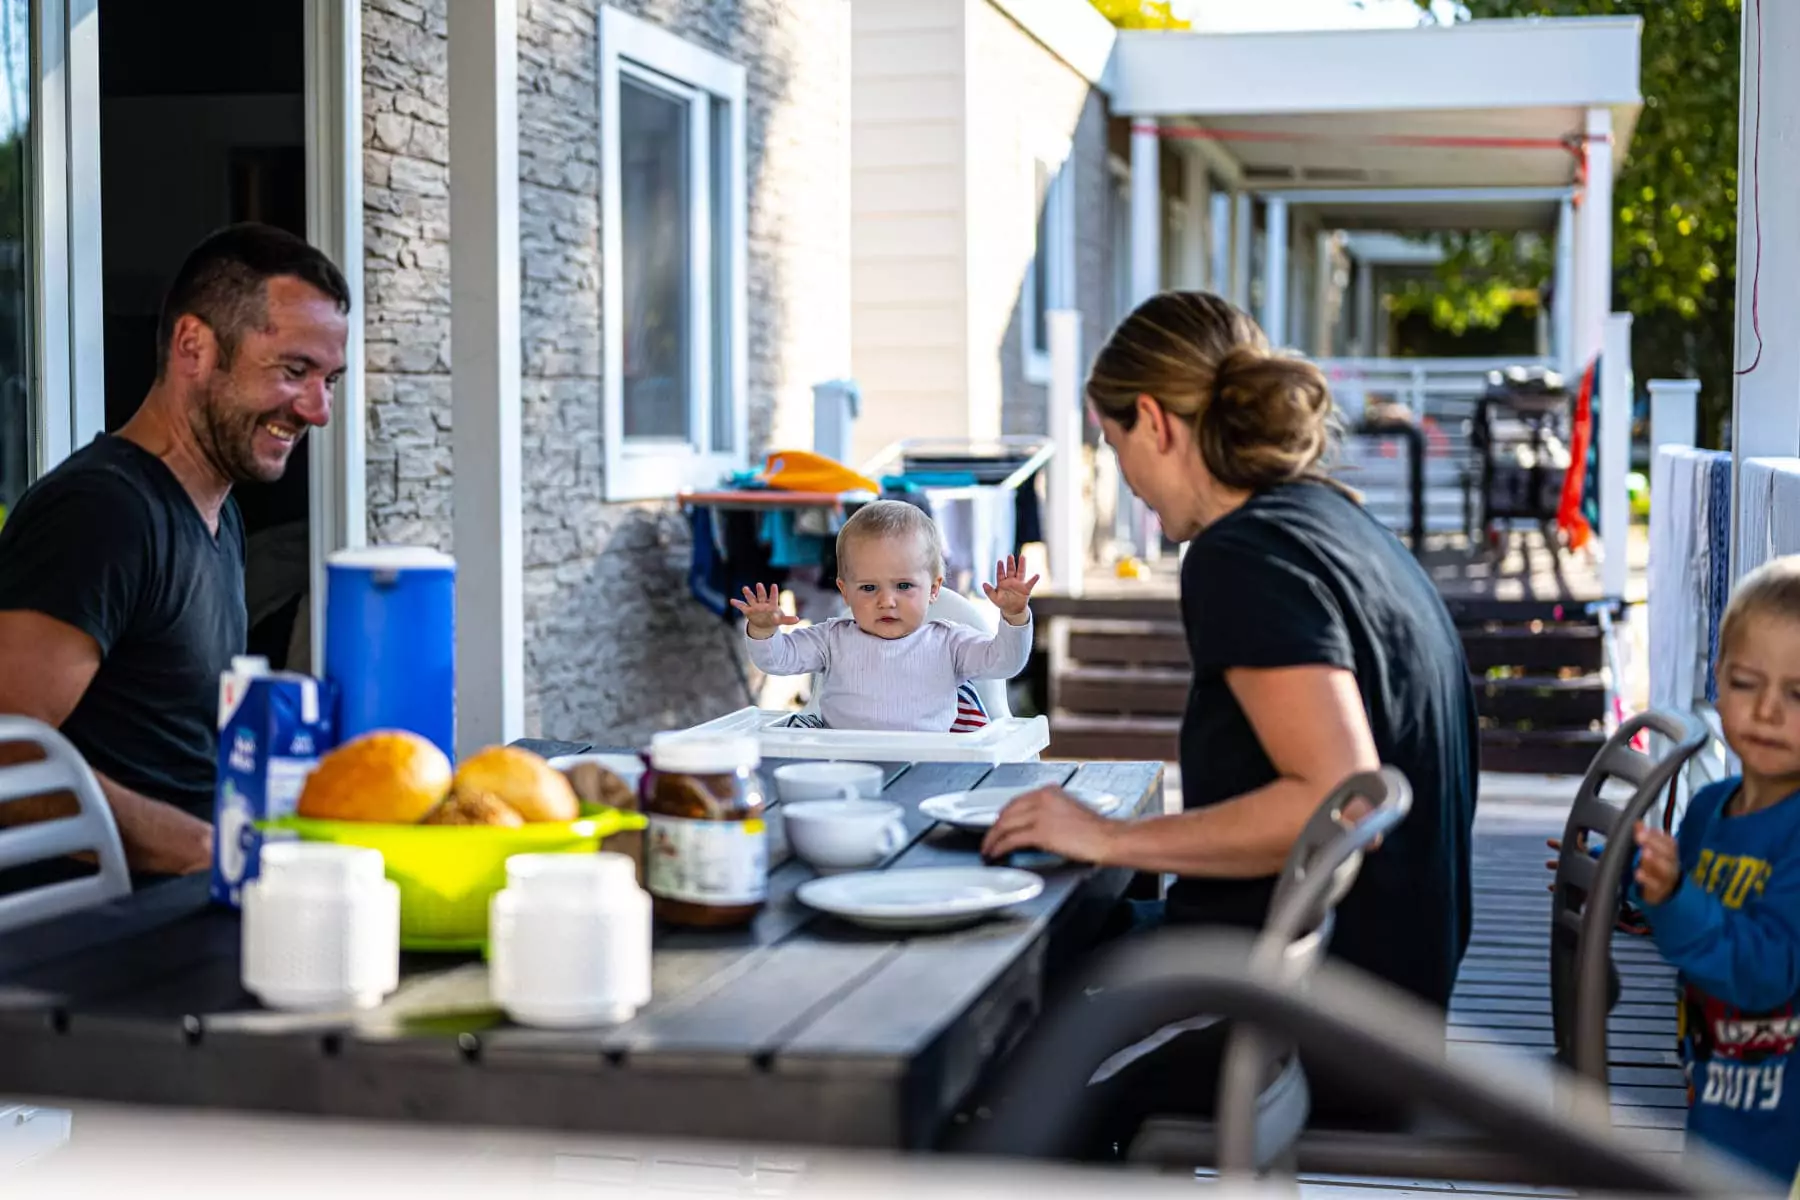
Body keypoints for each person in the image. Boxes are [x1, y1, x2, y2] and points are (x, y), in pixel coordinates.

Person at [976, 291, 1479, 1151]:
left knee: (1012, 1100)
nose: (1123, 474)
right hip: (1382, 997)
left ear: (1153, 421)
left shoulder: (1243, 555)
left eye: (1112, 443)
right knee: (1033, 965)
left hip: (1317, 1024)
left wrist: (1109, 839)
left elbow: (1338, 800)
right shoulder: (1335, 521)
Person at [0, 223, 350, 886]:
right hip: (92, 942)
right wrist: (204, 849)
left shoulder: (221, 517)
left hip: (192, 906)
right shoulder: (101, 513)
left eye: (330, 378)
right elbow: (6, 749)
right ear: (194, 347)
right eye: (294, 371)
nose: (318, 409)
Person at [1633, 555, 1800, 1187]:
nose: (1765, 712)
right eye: (1746, 682)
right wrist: (1635, 875)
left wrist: (1674, 896)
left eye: (1798, 693)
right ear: (1717, 679)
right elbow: (1688, 902)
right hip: (1716, 1086)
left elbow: (1766, 972)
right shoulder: (1709, 809)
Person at [734, 499, 1037, 731]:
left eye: (903, 586)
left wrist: (1014, 617)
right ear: (845, 591)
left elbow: (1005, 662)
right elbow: (777, 660)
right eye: (868, 588)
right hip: (844, 767)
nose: (886, 601)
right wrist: (763, 632)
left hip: (929, 768)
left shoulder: (950, 643)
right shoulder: (831, 638)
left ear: (934, 588)